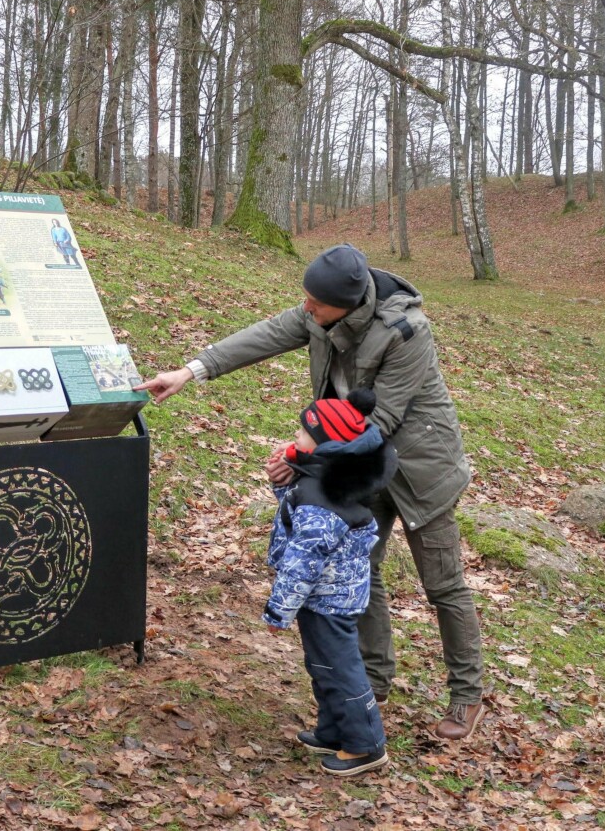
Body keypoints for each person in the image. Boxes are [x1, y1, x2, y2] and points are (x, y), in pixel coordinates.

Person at [138, 244, 486, 741]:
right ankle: (373, 680)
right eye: (304, 300)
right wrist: (191, 371)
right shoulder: (318, 314)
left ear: (347, 302)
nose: (305, 309)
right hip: (358, 469)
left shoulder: (407, 332)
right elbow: (262, 336)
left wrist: (302, 457)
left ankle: (467, 696)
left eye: (315, 303)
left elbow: (380, 421)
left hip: (420, 470)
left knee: (443, 584)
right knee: (360, 570)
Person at [264, 389, 396, 776]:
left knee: (340, 667)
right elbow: (295, 506)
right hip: (322, 596)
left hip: (328, 598)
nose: (296, 438)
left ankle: (365, 745)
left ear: (326, 443)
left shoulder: (323, 500)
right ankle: (334, 730)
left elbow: (303, 562)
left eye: (303, 433)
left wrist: (278, 610)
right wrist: (284, 473)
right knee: (322, 664)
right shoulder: (325, 477)